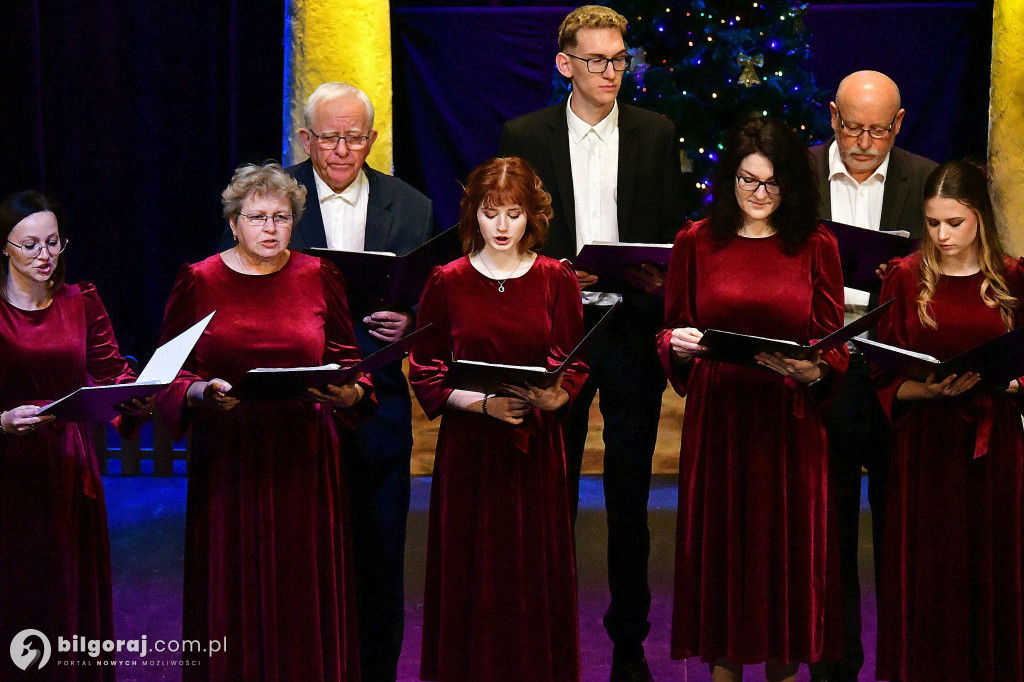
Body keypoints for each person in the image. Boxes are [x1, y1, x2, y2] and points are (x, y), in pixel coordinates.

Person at [498, 7, 684, 678]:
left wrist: (657, 272)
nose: (611, 72)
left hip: (631, 327)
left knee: (630, 495)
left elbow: (671, 227)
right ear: (565, 65)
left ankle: (629, 642)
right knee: (553, 488)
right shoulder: (526, 135)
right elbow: (508, 228)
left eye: (619, 59)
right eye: (597, 60)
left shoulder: (655, 132)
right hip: (560, 332)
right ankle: (546, 632)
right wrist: (550, 272)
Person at [156, 162, 375, 682]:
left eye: (281, 217)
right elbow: (168, 374)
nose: (271, 228)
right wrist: (199, 391)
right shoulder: (200, 280)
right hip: (231, 452)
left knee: (301, 583)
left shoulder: (319, 276)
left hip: (306, 455)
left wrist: (349, 392)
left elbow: (351, 362)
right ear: (234, 223)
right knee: (233, 580)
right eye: (257, 217)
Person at [657, 117, 846, 682]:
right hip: (720, 417)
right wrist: (678, 345)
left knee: (784, 559)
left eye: (772, 182)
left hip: (787, 420)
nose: (760, 194)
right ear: (729, 180)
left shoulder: (816, 244)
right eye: (748, 181)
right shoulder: (696, 241)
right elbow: (670, 328)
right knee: (723, 554)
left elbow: (833, 344)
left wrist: (814, 368)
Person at [409, 157, 587, 682]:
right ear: (474, 215)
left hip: (535, 448)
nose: (502, 226)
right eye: (491, 214)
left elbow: (573, 360)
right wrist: (480, 404)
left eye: (514, 213)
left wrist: (558, 395)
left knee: (531, 570)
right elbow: (426, 368)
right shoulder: (447, 279)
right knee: (470, 568)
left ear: (532, 215)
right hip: (470, 447)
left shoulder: (555, 277)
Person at [288, 81, 435, 682]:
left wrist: (412, 321)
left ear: (373, 139)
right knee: (301, 556)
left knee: (380, 555)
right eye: (330, 138)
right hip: (296, 411)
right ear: (306, 139)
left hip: (380, 410)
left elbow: (438, 300)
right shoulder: (272, 201)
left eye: (354, 137)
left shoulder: (412, 205)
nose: (343, 150)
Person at [808, 70, 938, 682]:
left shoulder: (926, 179)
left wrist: (906, 275)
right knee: (827, 532)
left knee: (902, 529)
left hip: (896, 371)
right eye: (853, 128)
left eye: (879, 131)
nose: (864, 143)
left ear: (899, 124)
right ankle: (834, 667)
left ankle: (903, 663)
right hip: (823, 368)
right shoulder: (799, 174)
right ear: (833, 117)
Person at [872, 160, 1024, 682]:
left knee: (991, 566)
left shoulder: (1012, 277)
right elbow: (881, 376)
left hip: (993, 446)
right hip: (926, 449)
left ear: (980, 216)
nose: (942, 235)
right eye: (933, 222)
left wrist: (1005, 384)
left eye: (954, 223)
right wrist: (928, 389)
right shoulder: (905, 275)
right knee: (931, 571)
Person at [0, 191, 150, 680]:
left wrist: (138, 395)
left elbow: (112, 374)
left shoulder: (80, 301)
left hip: (69, 464)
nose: (44, 255)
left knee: (69, 589)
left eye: (53, 242)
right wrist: (2, 420)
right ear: (4, 247)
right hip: (9, 467)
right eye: (29, 245)